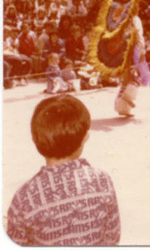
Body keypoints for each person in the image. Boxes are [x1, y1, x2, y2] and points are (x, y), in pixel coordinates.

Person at [7, 95, 120, 245]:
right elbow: (112, 238)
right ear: (85, 138)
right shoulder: (102, 181)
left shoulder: (25, 197)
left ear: (35, 140)